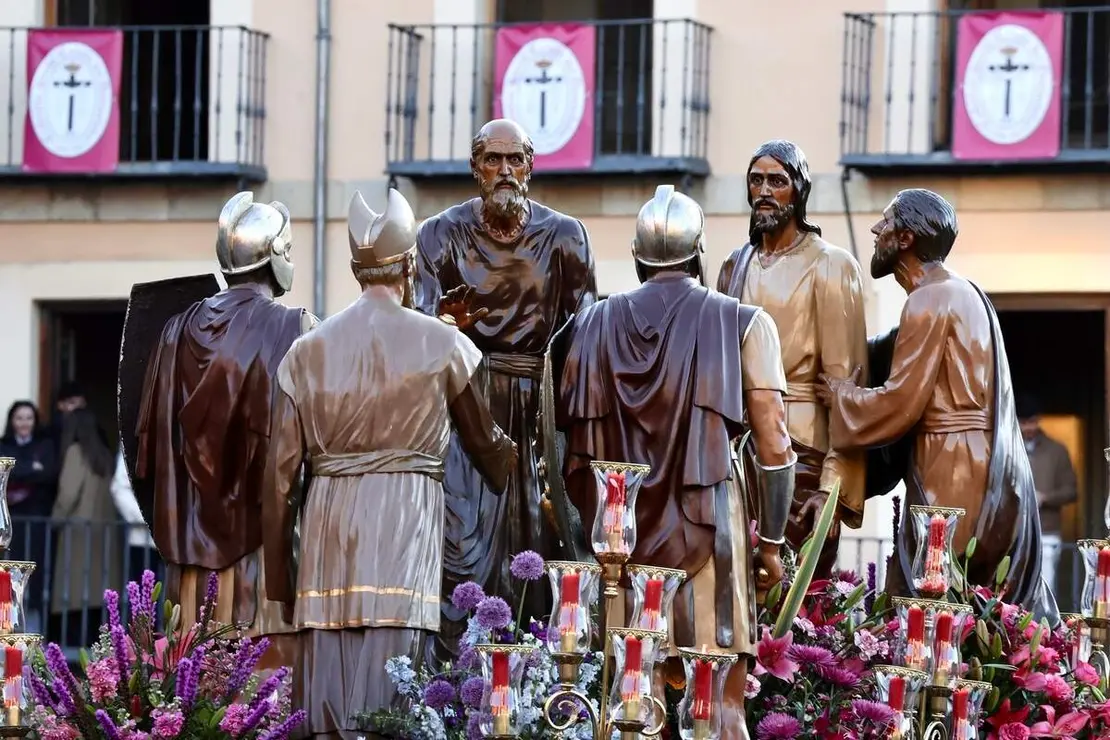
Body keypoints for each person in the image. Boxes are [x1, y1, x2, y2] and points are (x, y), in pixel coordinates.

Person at [264, 189, 517, 739]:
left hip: (328, 534)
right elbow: (490, 451)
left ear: (356, 269)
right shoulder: (442, 343)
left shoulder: (305, 352)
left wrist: (281, 584)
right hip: (404, 524)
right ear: (407, 265)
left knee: (326, 698)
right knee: (394, 692)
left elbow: (279, 480)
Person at [553, 186, 794, 740]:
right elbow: (776, 448)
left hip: (622, 546)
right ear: (700, 252)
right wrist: (774, 545)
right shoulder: (747, 324)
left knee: (630, 707)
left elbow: (567, 451)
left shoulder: (590, 327)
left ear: (638, 258)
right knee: (718, 709)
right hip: (712, 531)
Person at [817, 188, 1056, 621]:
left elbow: (900, 403)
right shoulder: (964, 292)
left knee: (932, 604)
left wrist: (840, 396)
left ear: (905, 238)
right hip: (983, 463)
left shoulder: (929, 299)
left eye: (886, 222)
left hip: (952, 467)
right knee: (977, 609)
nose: (876, 229)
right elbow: (901, 354)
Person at [414, 118, 597, 658]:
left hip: (540, 403)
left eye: (515, 160)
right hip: (467, 402)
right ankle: (453, 677)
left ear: (530, 167)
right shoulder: (439, 234)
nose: (504, 172)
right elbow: (417, 324)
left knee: (541, 545)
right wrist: (445, 326)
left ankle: (541, 669)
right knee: (462, 547)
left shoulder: (565, 234)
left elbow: (583, 329)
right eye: (492, 161)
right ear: (475, 169)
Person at [134, 192, 317, 662]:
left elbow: (150, 451)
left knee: (191, 694)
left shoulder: (173, 330)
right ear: (274, 256)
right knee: (267, 698)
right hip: (265, 559)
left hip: (188, 560)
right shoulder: (296, 328)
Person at [716, 140, 868, 577]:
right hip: (738, 454)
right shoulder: (734, 264)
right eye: (756, 180)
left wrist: (833, 488)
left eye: (777, 181)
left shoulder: (831, 265)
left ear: (798, 192)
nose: (764, 190)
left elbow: (847, 390)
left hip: (804, 452)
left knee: (795, 600)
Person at [48, 407, 122, 649]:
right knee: (95, 600)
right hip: (104, 536)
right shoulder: (103, 454)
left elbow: (67, 495)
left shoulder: (75, 452)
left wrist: (54, 521)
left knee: (73, 597)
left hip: (77, 537)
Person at [0, 400, 57, 627]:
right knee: (8, 574)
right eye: (19, 418)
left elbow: (49, 475)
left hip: (37, 520)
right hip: (10, 521)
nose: (24, 423)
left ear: (35, 421)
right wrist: (32, 469)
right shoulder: (4, 445)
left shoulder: (45, 445)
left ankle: (35, 627)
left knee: (36, 573)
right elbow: (6, 474)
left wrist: (20, 472)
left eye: (28, 418)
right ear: (12, 421)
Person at [1016, 394, 1077, 591]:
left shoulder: (1057, 450)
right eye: (1023, 423)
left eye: (1032, 422)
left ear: (1038, 419)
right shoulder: (1008, 450)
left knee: (1046, 587)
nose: (1028, 428)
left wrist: (1045, 498)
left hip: (1047, 532)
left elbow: (1072, 491)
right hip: (1013, 533)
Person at [109, 450, 163, 588]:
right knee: (145, 603)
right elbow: (120, 488)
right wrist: (148, 518)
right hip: (144, 539)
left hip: (183, 541)